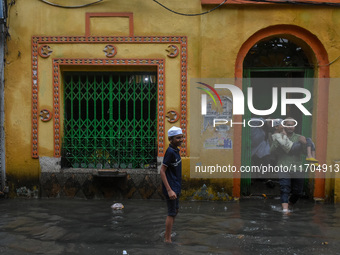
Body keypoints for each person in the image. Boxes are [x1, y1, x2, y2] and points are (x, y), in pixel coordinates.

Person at [270, 118, 315, 213]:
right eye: (288, 125)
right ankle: (285, 210)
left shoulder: (299, 137)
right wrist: (280, 141)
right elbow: (272, 150)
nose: (290, 127)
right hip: (283, 166)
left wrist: (304, 144)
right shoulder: (278, 136)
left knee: (298, 191)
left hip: (297, 167)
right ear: (284, 126)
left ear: (295, 127)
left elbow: (304, 152)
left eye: (292, 125)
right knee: (284, 188)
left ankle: (289, 204)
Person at [160, 126, 183, 243]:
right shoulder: (170, 152)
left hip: (176, 186)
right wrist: (169, 190)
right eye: (178, 138)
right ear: (170, 139)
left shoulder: (176, 151)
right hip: (171, 188)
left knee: (176, 210)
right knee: (171, 212)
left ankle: (167, 233)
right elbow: (162, 171)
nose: (181, 139)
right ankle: (167, 239)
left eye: (181, 137)